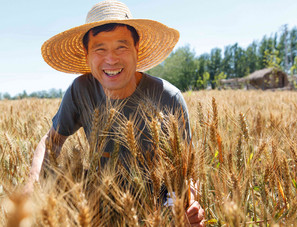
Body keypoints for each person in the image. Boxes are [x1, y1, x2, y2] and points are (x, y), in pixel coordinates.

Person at [25, 0, 204, 225]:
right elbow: (51, 141)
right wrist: (31, 186)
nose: (111, 59)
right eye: (100, 49)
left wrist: (192, 205)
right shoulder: (81, 90)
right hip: (102, 209)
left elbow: (187, 170)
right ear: (87, 54)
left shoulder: (168, 98)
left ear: (137, 49)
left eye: (122, 46)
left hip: (158, 214)